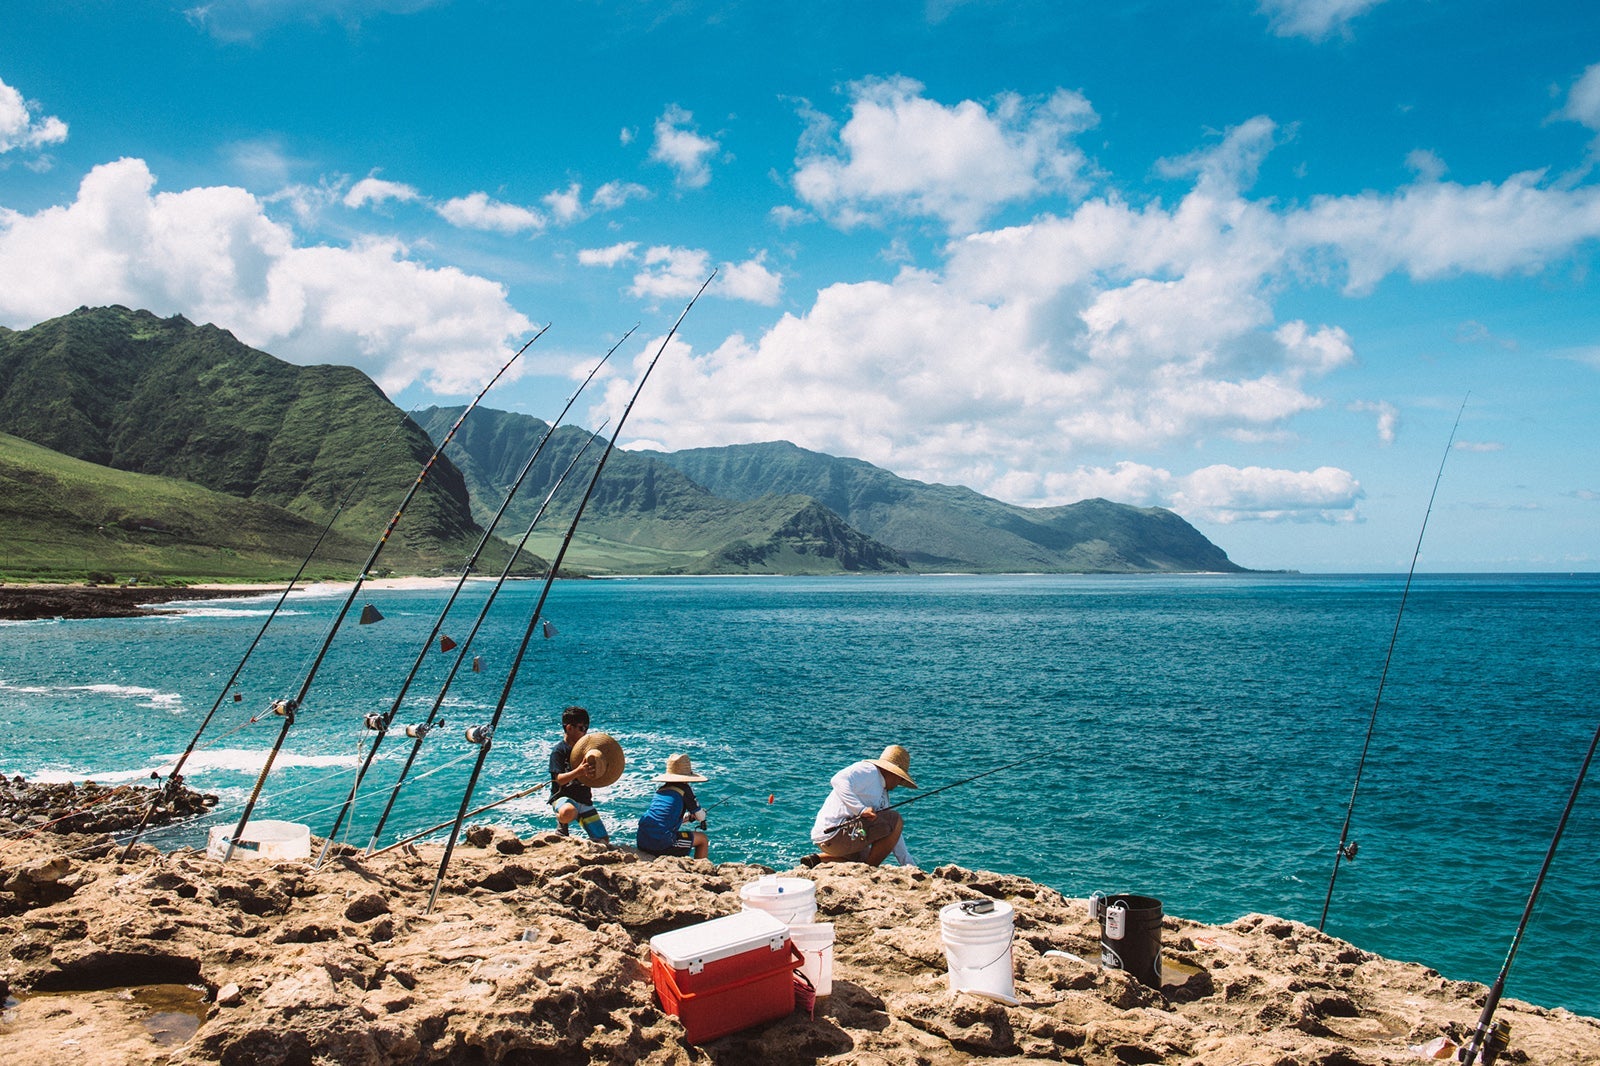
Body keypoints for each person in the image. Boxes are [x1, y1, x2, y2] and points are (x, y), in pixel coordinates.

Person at [804, 744, 918, 868]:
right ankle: (869, 869)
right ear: (891, 772)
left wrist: (908, 863)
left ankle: (817, 860)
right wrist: (861, 810)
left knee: (867, 856)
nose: (899, 783)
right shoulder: (870, 771)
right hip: (833, 833)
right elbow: (838, 779)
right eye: (900, 778)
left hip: (832, 840)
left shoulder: (883, 795)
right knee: (895, 819)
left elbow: (894, 832)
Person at [549, 705, 609, 842]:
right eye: (582, 728)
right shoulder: (559, 751)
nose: (585, 732)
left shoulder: (587, 750)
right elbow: (558, 780)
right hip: (563, 798)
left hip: (583, 799)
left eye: (587, 728)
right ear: (569, 728)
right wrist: (578, 771)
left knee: (603, 840)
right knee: (568, 811)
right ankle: (561, 823)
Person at [636, 753, 710, 859]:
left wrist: (688, 818)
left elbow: (665, 818)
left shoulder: (661, 790)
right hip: (661, 843)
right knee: (702, 839)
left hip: (642, 840)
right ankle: (702, 870)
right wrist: (701, 813)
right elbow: (701, 817)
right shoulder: (685, 790)